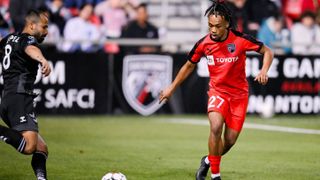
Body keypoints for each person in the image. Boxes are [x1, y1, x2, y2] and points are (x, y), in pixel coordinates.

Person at [159, 1, 274, 180]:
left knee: (229, 142)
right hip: (217, 92)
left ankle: (207, 161)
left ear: (227, 23)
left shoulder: (240, 40)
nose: (213, 30)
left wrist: (264, 70)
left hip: (239, 96)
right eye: (210, 26)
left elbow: (268, 51)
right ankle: (215, 176)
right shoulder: (203, 44)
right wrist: (171, 88)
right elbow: (188, 66)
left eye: (217, 26)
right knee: (215, 126)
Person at [0, 9, 51, 180]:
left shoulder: (8, 39)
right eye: (44, 27)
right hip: (20, 97)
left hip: (7, 99)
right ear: (31, 25)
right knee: (29, 146)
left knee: (41, 148)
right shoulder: (28, 39)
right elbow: (30, 49)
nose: (46, 31)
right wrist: (42, 60)